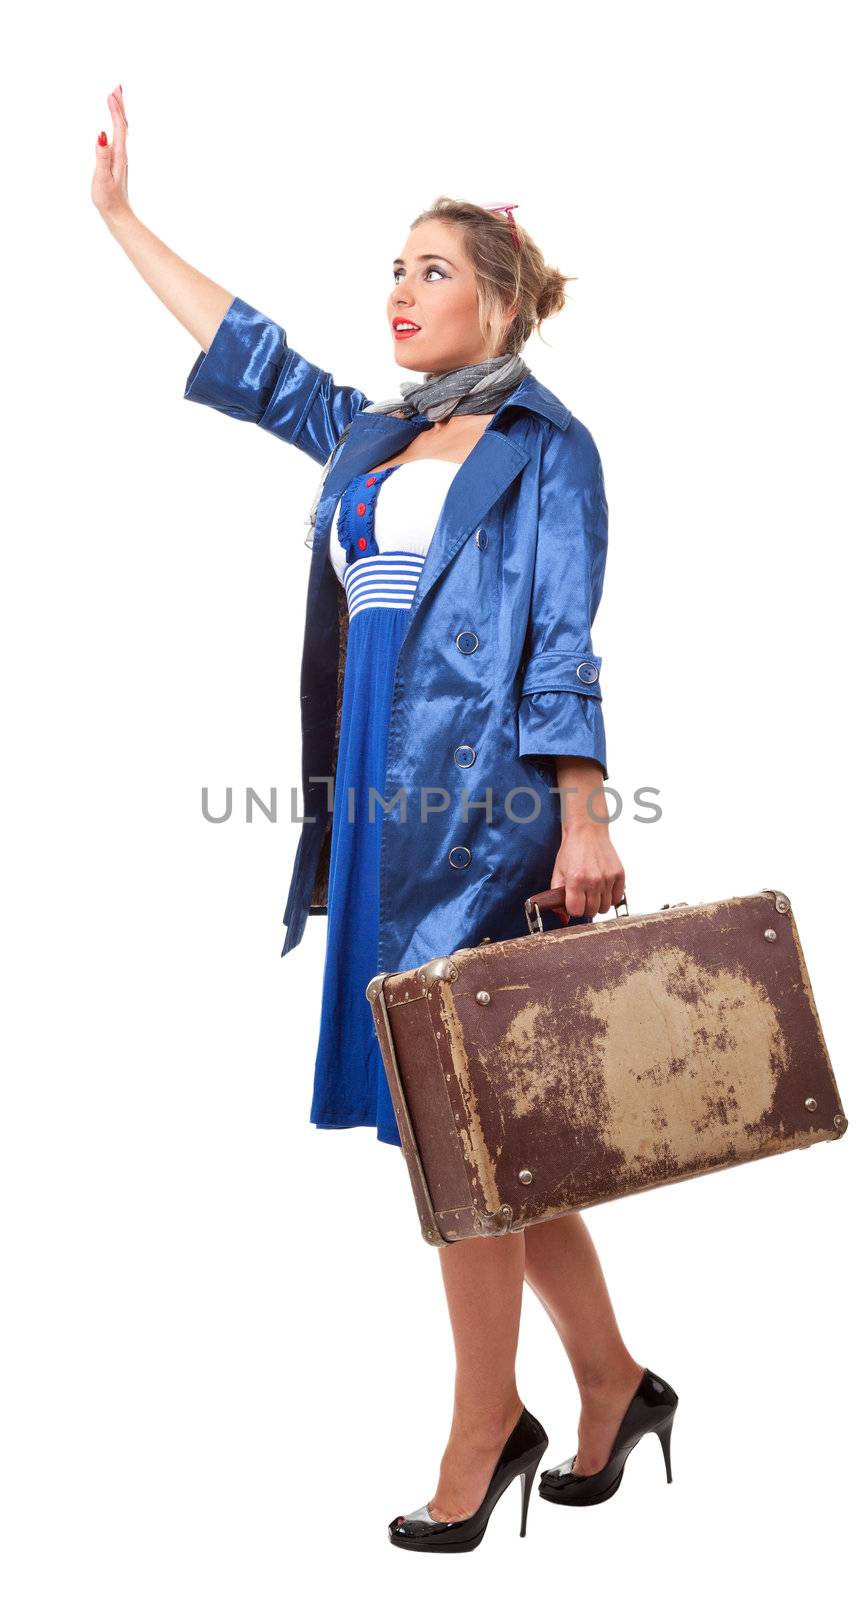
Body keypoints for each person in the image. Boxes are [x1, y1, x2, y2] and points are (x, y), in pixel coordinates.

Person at [92, 84, 678, 1551]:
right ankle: (612, 1382)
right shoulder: (365, 443)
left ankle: (490, 1427)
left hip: (484, 829)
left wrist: (586, 818)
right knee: (493, 1140)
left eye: (430, 269)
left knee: (459, 1142)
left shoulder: (549, 449)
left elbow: (564, 641)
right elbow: (251, 356)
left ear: (499, 301)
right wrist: (117, 219)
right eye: (393, 269)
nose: (399, 291)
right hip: (371, 827)